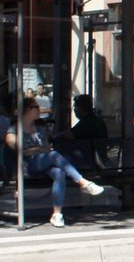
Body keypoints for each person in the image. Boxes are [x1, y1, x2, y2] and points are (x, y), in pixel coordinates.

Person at [5, 97, 105, 227]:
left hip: (43, 162)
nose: (39, 110)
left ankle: (57, 214)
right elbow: (20, 150)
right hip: (26, 166)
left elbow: (46, 147)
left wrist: (35, 150)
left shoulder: (40, 129)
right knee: (54, 156)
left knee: (59, 172)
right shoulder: (14, 130)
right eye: (36, 107)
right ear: (27, 110)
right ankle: (83, 182)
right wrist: (38, 149)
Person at [55, 94, 111, 169]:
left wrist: (55, 137)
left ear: (80, 108)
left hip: (89, 162)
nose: (74, 109)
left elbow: (70, 134)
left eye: (75, 106)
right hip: (99, 159)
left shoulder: (86, 122)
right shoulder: (98, 121)